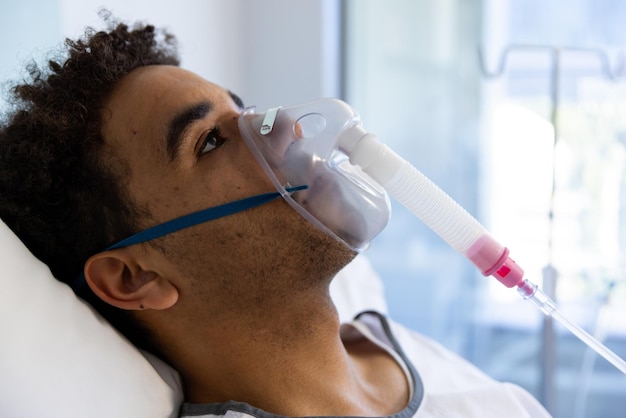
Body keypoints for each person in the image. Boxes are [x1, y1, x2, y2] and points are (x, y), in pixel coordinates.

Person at [0, 16, 551, 417]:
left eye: (245, 110)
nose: (285, 128)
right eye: (212, 141)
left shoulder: (397, 348)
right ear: (135, 277)